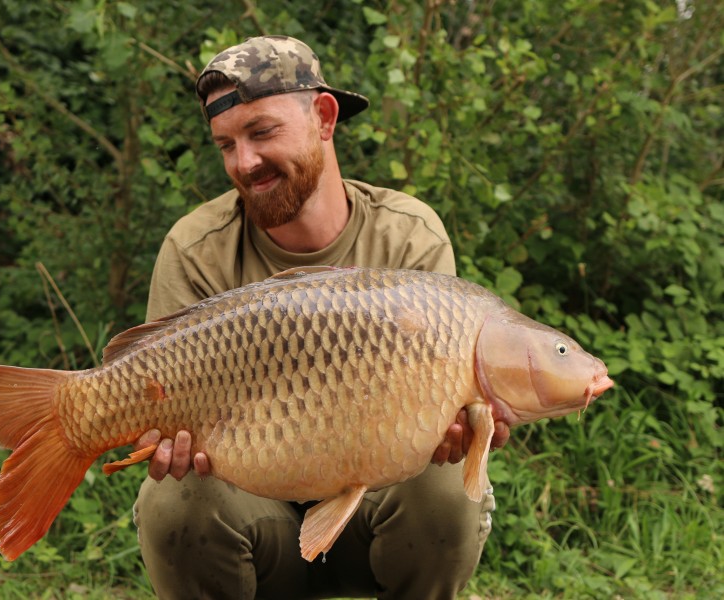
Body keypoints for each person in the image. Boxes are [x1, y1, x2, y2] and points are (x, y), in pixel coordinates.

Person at [131, 35, 509, 600]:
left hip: (375, 520)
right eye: (225, 144)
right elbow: (156, 412)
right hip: (253, 521)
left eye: (261, 132)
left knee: (448, 490)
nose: (245, 162)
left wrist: (468, 426)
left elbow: (455, 408)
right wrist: (161, 441)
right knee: (172, 500)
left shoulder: (408, 236)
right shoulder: (196, 248)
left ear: (325, 117)